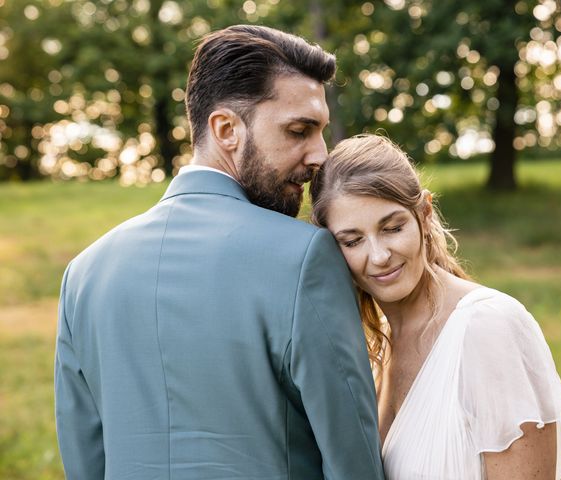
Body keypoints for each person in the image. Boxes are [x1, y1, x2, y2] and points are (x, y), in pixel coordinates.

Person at [54, 26, 384, 480]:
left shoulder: (84, 273)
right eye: (299, 131)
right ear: (227, 129)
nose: (320, 156)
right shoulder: (305, 257)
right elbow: (352, 460)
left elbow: (84, 460)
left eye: (320, 132)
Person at [311, 134, 561, 480]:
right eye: (352, 241)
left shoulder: (489, 327)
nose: (378, 257)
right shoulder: (373, 345)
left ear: (423, 213)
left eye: (392, 228)